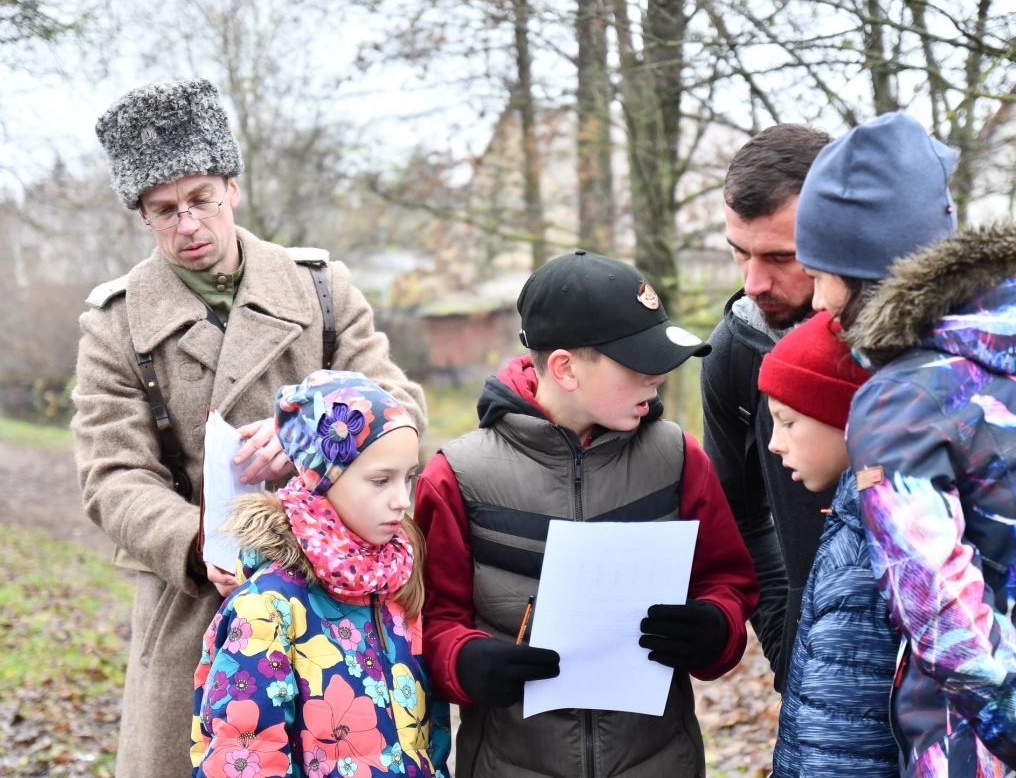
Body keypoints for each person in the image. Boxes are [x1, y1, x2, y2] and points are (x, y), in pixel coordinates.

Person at [71, 79, 426, 778]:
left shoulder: (321, 289)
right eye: (163, 210)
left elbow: (398, 403)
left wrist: (308, 434)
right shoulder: (115, 325)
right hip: (198, 602)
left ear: (232, 188)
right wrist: (192, 539)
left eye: (200, 200)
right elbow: (112, 475)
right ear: (142, 217)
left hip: (338, 606)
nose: (188, 225)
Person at [796, 110, 1016, 776]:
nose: (814, 301)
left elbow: (946, 622)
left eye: (818, 272)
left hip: (1003, 756)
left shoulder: (904, 401)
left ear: (861, 269)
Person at [416, 250, 759, 777]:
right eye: (638, 362)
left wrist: (717, 628)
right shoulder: (455, 477)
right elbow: (427, 621)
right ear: (565, 368)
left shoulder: (680, 459)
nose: (659, 378)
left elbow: (727, 582)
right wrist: (462, 661)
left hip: (660, 762)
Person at [191, 371, 449, 778]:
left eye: (408, 478)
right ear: (320, 478)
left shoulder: (395, 586)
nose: (402, 500)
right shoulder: (267, 609)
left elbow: (427, 739)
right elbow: (245, 760)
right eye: (381, 480)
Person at [701, 124, 834, 691]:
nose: (754, 283)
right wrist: (788, 638)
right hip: (817, 689)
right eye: (740, 254)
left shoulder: (923, 346)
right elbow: (735, 515)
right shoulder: (734, 349)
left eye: (781, 257)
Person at [757, 311, 899, 778]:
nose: (775, 443)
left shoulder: (861, 553)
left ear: (849, 418)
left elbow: (841, 742)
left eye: (789, 421)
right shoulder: (858, 512)